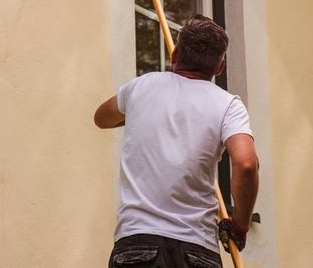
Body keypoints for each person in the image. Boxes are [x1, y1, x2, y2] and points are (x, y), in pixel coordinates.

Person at [94, 14, 259, 267]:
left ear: (175, 56)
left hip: (137, 246)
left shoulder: (141, 88)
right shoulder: (228, 105)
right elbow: (246, 164)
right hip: (197, 250)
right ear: (219, 67)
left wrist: (139, 112)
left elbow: (102, 118)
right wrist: (239, 225)